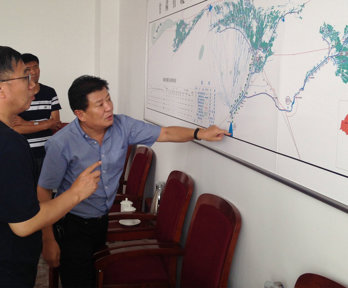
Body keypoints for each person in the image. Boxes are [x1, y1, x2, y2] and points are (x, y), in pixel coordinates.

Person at [37, 75, 230, 288]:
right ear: (80, 114)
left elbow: (165, 133)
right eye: (100, 104)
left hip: (101, 220)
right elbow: (44, 190)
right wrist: (48, 239)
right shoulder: (61, 144)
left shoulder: (122, 126)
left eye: (108, 99)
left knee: (96, 276)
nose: (109, 107)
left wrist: (201, 133)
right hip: (71, 225)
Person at [0, 46, 101, 288]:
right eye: (25, 76)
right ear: (2, 89)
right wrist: (78, 191)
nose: (33, 84)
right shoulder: (9, 144)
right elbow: (24, 224)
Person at [11, 53, 62, 177]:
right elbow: (15, 129)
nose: (33, 72)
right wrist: (46, 124)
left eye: (36, 67)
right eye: (28, 69)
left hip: (47, 152)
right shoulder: (16, 95)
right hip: (23, 152)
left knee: (45, 190)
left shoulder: (49, 92)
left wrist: (26, 123)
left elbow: (56, 124)